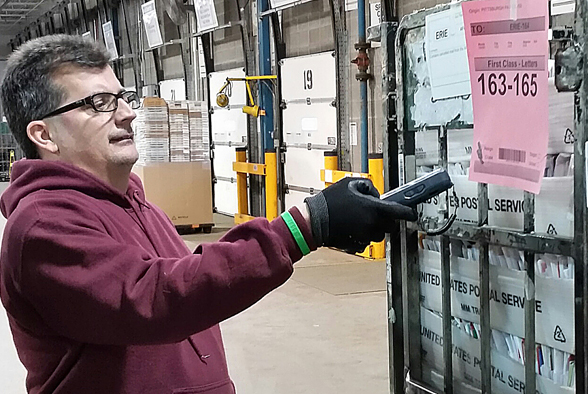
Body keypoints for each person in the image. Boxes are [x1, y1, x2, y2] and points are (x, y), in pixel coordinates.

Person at [0, 34, 416, 394]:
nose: (127, 113)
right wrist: (304, 226)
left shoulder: (135, 204)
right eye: (99, 102)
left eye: (122, 98)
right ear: (44, 135)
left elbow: (195, 284)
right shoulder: (43, 225)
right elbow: (153, 298)